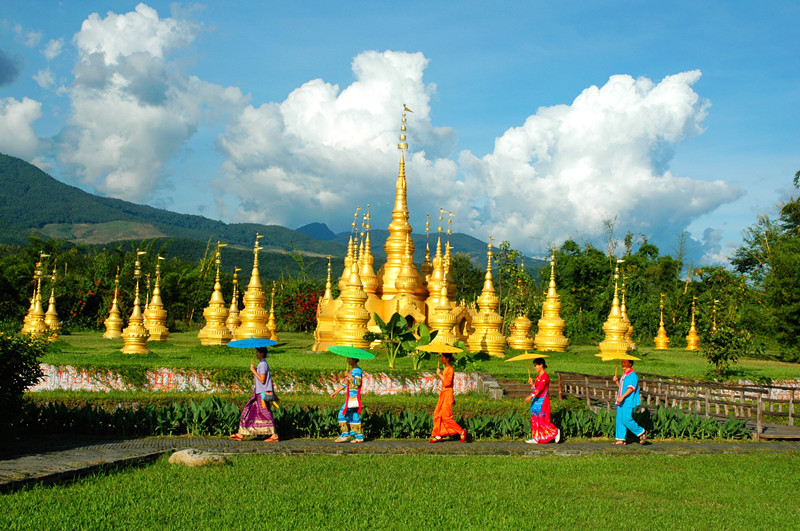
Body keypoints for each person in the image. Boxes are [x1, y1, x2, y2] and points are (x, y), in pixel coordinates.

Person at [230, 347, 278, 442]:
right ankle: (241, 433)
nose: (256, 354)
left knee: (265, 412)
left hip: (261, 394)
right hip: (258, 392)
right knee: (248, 410)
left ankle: (274, 434)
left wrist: (254, 371)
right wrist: (255, 370)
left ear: (262, 354)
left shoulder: (263, 364)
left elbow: (262, 380)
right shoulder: (261, 364)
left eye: (257, 352)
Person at [429, 352, 467, 443]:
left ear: (447, 359)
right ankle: (438, 435)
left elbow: (447, 383)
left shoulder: (450, 369)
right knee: (437, 413)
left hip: (448, 394)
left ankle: (461, 431)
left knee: (446, 416)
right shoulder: (445, 369)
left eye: (442, 357)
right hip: (443, 393)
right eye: (441, 357)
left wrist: (439, 374)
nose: (441, 359)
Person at [524, 358, 561, 444]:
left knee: (542, 419)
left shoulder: (545, 376)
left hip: (542, 402)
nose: (535, 367)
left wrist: (530, 396)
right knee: (534, 419)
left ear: (541, 365)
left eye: (536, 365)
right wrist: (532, 384)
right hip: (536, 401)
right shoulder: (537, 377)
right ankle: (536, 437)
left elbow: (540, 389)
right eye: (534, 366)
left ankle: (555, 432)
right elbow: (536, 388)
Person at [613, 358, 646, 445]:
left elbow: (631, 388)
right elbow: (621, 387)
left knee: (626, 419)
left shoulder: (632, 375)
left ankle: (641, 431)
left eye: (625, 362)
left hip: (628, 400)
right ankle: (621, 439)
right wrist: (616, 381)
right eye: (622, 362)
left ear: (630, 364)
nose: (623, 364)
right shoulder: (624, 375)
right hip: (621, 400)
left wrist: (622, 396)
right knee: (619, 419)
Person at [331, 357, 364, 443]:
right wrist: (336, 392)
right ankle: (359, 437)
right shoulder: (352, 370)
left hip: (353, 398)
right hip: (350, 397)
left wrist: (349, 376)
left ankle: (345, 435)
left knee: (342, 414)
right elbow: (345, 384)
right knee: (354, 416)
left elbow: (358, 383)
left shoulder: (357, 370)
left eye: (349, 359)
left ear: (354, 360)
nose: (347, 361)